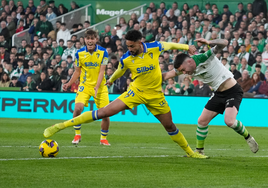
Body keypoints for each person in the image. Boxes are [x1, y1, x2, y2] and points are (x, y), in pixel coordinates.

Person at [43, 30, 208, 159]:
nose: (129, 49)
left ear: (139, 42)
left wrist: (187, 47)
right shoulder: (126, 58)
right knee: (104, 112)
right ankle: (60, 126)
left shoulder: (154, 47)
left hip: (156, 95)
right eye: (127, 46)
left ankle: (190, 152)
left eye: (131, 46)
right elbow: (119, 72)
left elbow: (170, 45)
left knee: (170, 126)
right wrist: (110, 80)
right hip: (135, 92)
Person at [163, 38, 259, 156]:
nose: (183, 73)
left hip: (233, 91)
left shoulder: (205, 57)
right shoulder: (185, 69)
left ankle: (248, 137)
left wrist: (209, 42)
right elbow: (166, 75)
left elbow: (224, 43)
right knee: (202, 121)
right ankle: (199, 151)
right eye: (181, 71)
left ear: (189, 62)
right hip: (218, 93)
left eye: (183, 70)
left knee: (229, 121)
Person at [59, 29, 111, 145]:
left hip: (100, 87)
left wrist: (97, 87)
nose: (90, 41)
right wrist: (69, 83)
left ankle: (103, 138)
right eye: (88, 38)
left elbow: (102, 72)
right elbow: (77, 72)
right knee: (77, 108)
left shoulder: (103, 52)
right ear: (85, 40)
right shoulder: (79, 53)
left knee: (106, 114)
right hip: (85, 85)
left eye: (92, 38)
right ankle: (77, 135)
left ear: (96, 39)